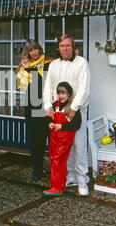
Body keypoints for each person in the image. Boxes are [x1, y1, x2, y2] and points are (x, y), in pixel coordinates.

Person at [43, 34, 91, 196]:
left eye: (68, 46)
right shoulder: (54, 65)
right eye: (62, 46)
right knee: (63, 147)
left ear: (73, 47)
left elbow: (83, 87)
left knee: (79, 145)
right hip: (58, 111)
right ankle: (69, 176)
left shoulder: (81, 63)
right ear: (58, 47)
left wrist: (74, 107)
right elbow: (48, 87)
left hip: (75, 111)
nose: (65, 49)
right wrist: (48, 106)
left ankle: (82, 180)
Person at [16, 39, 54, 181]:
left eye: (36, 48)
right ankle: (37, 169)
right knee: (35, 141)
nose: (34, 52)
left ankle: (55, 171)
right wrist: (25, 69)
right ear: (27, 53)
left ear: (40, 49)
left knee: (52, 141)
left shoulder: (50, 62)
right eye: (30, 50)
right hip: (32, 107)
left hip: (48, 106)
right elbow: (21, 87)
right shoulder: (24, 66)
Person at [43, 82, 81, 196]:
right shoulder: (55, 105)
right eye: (59, 93)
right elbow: (48, 118)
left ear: (69, 94)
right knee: (56, 160)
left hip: (65, 139)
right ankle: (61, 185)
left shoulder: (73, 107)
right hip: (54, 138)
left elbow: (77, 124)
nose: (61, 96)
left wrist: (62, 126)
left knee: (57, 161)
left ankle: (56, 188)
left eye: (63, 93)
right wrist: (50, 123)